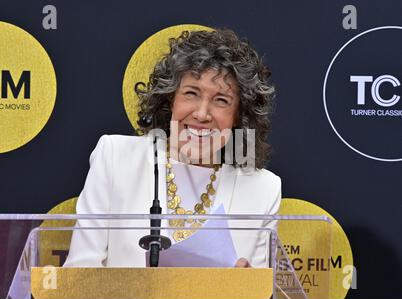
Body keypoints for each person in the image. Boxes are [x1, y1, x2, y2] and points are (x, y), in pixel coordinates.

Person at [64, 28, 281, 268]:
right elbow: (79, 274)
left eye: (221, 100)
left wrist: (246, 292)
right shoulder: (115, 157)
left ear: (240, 115)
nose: (201, 113)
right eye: (191, 93)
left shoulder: (263, 189)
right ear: (171, 98)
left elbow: (258, 292)